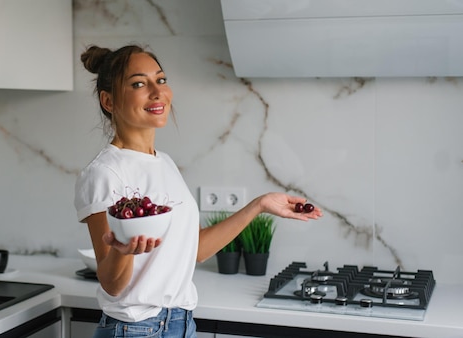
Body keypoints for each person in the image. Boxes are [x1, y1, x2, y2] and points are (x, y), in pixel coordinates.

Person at [74, 44, 323, 338]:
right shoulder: (105, 172)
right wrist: (124, 252)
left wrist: (258, 205)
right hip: (136, 329)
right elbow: (111, 283)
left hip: (182, 325)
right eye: (139, 84)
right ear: (109, 101)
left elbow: (198, 248)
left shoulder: (164, 163)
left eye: (161, 80)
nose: (157, 92)